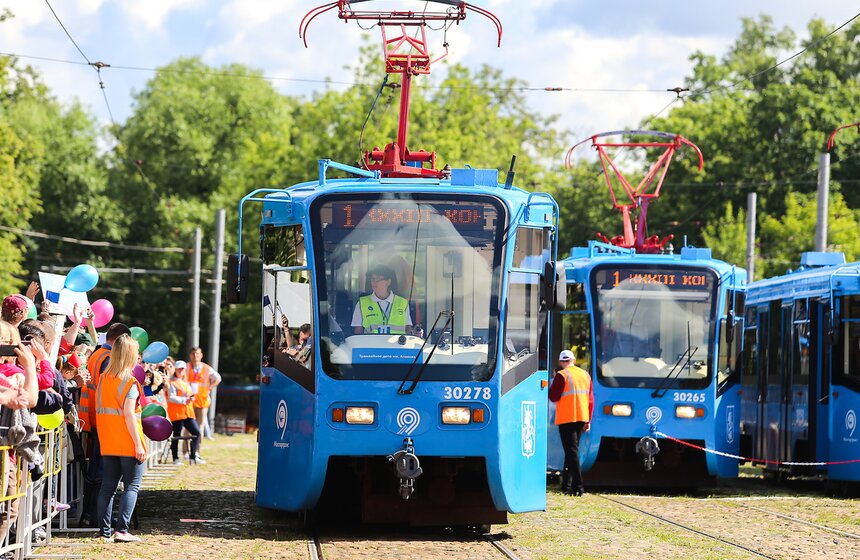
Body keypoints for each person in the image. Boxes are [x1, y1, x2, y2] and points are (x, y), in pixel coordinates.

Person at [95, 334, 146, 543]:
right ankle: (122, 530)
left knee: (107, 487)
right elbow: (129, 414)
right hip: (127, 441)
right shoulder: (130, 382)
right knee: (131, 486)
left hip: (108, 441)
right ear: (131, 356)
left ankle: (104, 532)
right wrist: (138, 444)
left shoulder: (103, 379)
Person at [548, 349, 593, 496]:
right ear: (573, 360)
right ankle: (566, 485)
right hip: (581, 417)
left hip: (567, 418)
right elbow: (591, 400)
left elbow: (553, 396)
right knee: (571, 451)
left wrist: (554, 379)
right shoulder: (585, 375)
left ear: (561, 363)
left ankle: (578, 486)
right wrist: (588, 420)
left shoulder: (561, 375)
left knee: (571, 451)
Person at [351, 264, 418, 335]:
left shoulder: (403, 303)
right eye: (372, 279)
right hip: (371, 345)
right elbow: (357, 332)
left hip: (396, 345)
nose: (374, 282)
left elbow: (408, 329)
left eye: (378, 279)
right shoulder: (362, 303)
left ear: (388, 282)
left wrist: (415, 332)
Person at [166, 360, 202, 465]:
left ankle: (192, 457)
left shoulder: (186, 383)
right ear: (175, 370)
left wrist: (191, 399)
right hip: (177, 413)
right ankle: (175, 458)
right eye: (179, 369)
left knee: (197, 433)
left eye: (182, 369)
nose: (181, 371)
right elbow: (171, 398)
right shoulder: (172, 382)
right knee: (176, 435)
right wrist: (185, 400)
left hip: (188, 413)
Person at [186, 347, 221, 450]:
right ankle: (186, 451)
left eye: (197, 354)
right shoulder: (187, 367)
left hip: (202, 401)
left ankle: (197, 450)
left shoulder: (206, 368)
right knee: (188, 428)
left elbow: (218, 378)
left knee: (200, 427)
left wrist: (210, 387)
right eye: (193, 354)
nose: (195, 356)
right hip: (189, 402)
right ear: (190, 355)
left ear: (201, 355)